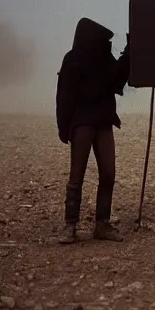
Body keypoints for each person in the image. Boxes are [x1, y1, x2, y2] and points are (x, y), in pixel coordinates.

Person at [55, 18, 131, 244]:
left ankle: (102, 224)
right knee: (76, 176)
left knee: (108, 173)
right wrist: (64, 127)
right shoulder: (72, 60)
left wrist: (129, 52)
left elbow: (117, 77)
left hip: (103, 121)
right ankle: (70, 226)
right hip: (82, 123)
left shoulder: (103, 59)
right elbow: (65, 97)